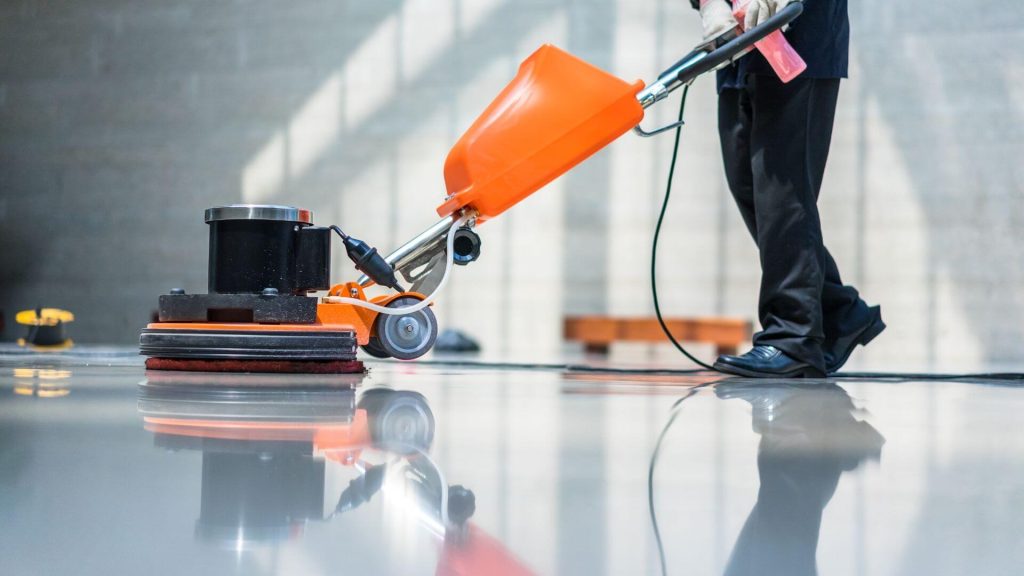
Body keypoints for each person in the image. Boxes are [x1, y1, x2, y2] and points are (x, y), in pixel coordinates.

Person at [693, 0, 885, 377]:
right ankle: (838, 310)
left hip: (796, 34)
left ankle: (791, 337)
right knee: (748, 184)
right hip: (739, 45)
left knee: (783, 189)